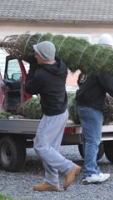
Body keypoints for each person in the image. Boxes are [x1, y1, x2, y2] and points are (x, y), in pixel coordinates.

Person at [25, 41, 81, 192]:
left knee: (40, 146)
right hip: (62, 111)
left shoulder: (43, 75)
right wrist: (37, 62)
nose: (35, 55)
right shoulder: (61, 65)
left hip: (53, 115)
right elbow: (52, 58)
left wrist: (32, 66)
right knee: (51, 149)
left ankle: (69, 168)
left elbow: (29, 88)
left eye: (37, 54)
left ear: (43, 57)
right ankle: (51, 181)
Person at [75, 34, 113, 184]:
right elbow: (111, 85)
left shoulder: (89, 62)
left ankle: (93, 170)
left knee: (89, 140)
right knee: (93, 141)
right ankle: (90, 173)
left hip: (82, 104)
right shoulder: (103, 64)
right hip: (91, 107)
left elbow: (79, 80)